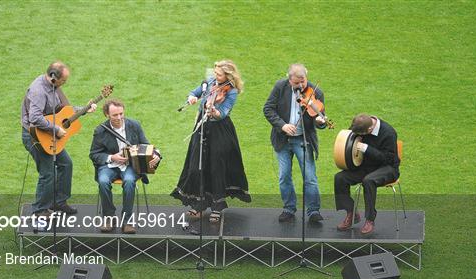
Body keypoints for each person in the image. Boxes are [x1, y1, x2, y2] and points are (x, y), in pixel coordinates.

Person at [171, 60, 251, 223]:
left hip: (219, 131)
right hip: (202, 128)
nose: (216, 76)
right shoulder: (210, 82)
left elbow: (222, 114)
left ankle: (217, 207)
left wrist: (212, 110)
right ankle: (199, 204)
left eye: (219, 74)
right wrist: (192, 97)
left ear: (228, 75)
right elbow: (195, 91)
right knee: (196, 166)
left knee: (217, 168)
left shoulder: (232, 91)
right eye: (215, 73)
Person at [21, 61, 96, 217]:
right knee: (48, 173)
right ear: (54, 77)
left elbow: (63, 111)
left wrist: (84, 109)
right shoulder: (38, 91)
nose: (65, 83)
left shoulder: (54, 87)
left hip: (48, 133)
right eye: (64, 80)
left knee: (66, 164)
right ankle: (40, 210)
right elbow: (35, 118)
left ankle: (58, 202)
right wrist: (56, 129)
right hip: (36, 136)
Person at [263, 63, 326, 223]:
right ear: (289, 78)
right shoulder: (280, 87)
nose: (300, 86)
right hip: (283, 139)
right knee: (284, 176)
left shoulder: (316, 92)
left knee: (309, 176)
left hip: (303, 140)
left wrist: (320, 121)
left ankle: (313, 211)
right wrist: (282, 125)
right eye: (296, 82)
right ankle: (289, 209)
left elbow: (321, 119)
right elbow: (268, 108)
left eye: (303, 81)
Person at [89, 99, 160, 233]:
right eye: (115, 115)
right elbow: (94, 154)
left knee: (129, 181)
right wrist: (111, 157)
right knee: (103, 181)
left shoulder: (134, 125)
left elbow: (145, 144)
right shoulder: (100, 131)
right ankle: (109, 217)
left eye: (121, 113)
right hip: (109, 166)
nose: (119, 117)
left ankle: (127, 221)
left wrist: (155, 153)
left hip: (130, 165)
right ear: (107, 115)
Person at [334, 114, 400, 234]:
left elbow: (388, 159)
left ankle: (370, 219)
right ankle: (351, 213)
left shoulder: (388, 133)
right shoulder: (361, 125)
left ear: (369, 130)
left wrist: (367, 149)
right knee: (340, 178)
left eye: (362, 135)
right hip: (366, 166)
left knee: (368, 181)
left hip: (388, 168)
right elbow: (350, 136)